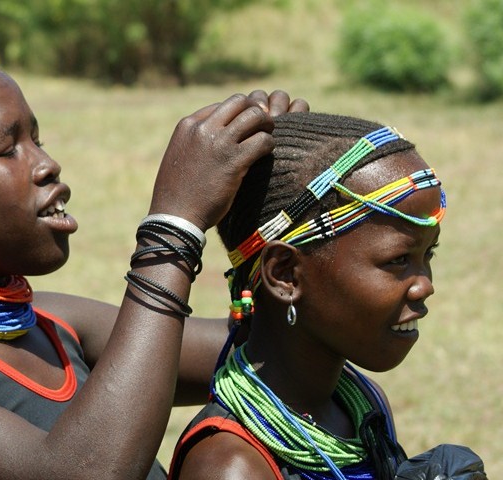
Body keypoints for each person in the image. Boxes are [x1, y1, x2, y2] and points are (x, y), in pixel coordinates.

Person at [0, 45, 307, 479]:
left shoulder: (54, 321)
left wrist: (270, 212)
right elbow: (84, 472)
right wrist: (173, 227)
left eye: (37, 139)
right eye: (8, 149)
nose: (47, 165)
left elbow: (267, 348)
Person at [167, 112, 484, 479]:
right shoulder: (230, 465)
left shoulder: (362, 404)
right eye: (398, 260)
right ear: (285, 273)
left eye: (428, 255)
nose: (424, 285)